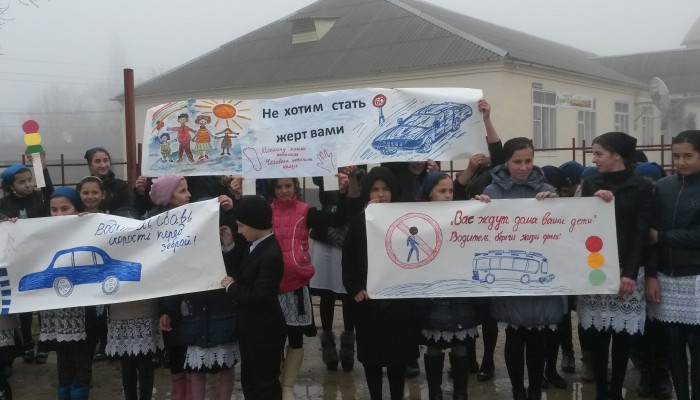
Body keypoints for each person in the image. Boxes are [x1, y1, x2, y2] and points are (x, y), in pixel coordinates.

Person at [474, 137, 566, 400]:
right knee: (514, 336)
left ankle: (535, 389)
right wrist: (479, 208)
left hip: (538, 280)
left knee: (538, 339)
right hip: (510, 278)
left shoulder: (547, 190)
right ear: (506, 162)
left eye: (528, 160)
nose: (523, 167)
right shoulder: (492, 191)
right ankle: (517, 390)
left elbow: (564, 229)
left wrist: (555, 204)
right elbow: (479, 232)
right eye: (517, 161)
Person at [577, 131, 652, 400]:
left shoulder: (641, 186)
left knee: (622, 335)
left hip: (627, 271)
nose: (594, 159)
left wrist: (630, 273)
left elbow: (641, 233)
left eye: (599, 153)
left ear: (617, 155)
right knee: (597, 332)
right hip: (597, 268)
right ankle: (601, 390)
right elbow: (579, 223)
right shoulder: (590, 183)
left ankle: (616, 390)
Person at [342, 166, 419, 400]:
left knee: (397, 359)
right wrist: (355, 288)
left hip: (398, 303)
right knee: (372, 359)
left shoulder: (405, 220)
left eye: (385, 189)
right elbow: (349, 259)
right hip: (369, 304)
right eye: (375, 189)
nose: (381, 194)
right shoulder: (359, 222)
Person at [453, 99, 504, 381]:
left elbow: (498, 148)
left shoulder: (500, 172)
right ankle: (470, 358)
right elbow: (456, 192)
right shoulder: (474, 175)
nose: (481, 153)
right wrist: (471, 168)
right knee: (469, 308)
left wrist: (486, 119)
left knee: (488, 312)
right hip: (468, 247)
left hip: (492, 246)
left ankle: (488, 361)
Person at [646, 130, 700, 400]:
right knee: (673, 345)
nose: (680, 162)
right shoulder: (663, 186)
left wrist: (663, 236)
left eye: (688, 156)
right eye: (676, 156)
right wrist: (651, 275)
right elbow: (649, 232)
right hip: (666, 277)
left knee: (696, 346)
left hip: (696, 277)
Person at [417, 172, 480, 400]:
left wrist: (483, 207)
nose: (447, 195)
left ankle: (460, 393)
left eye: (450, 191)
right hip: (433, 294)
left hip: (460, 293)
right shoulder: (418, 218)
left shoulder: (461, 214)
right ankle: (435, 392)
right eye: (441, 191)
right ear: (429, 193)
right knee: (434, 345)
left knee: (461, 344)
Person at [222, 195, 286, 400]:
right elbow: (241, 268)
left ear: (256, 223)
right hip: (251, 327)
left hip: (265, 331)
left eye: (242, 226)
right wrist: (229, 244)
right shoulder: (255, 245)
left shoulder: (270, 255)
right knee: (250, 381)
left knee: (265, 383)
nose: (239, 231)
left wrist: (231, 287)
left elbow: (258, 294)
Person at [41, 187, 97, 400]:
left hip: (84, 310)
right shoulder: (44, 232)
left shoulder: (88, 227)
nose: (59, 214)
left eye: (65, 208)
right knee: (63, 358)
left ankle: (80, 393)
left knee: (82, 358)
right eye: (54, 210)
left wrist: (89, 223)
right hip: (56, 309)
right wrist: (14, 226)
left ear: (77, 208)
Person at [106, 206, 164, 400]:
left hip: (146, 311)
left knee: (145, 363)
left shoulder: (148, 248)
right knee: (127, 364)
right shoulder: (109, 249)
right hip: (120, 314)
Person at [0, 160, 54, 365]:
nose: (28, 184)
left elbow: (49, 191)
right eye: (22, 182)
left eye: (30, 179)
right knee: (23, 302)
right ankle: (27, 344)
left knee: (42, 301)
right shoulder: (3, 204)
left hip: (41, 257)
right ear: (11, 186)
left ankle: (44, 344)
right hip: (17, 261)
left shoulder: (40, 197)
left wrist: (41, 166)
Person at [309, 171, 363, 372]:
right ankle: (328, 346)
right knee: (327, 294)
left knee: (348, 293)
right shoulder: (325, 168)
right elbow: (316, 179)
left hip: (350, 235)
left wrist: (352, 178)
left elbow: (359, 199)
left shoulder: (359, 172)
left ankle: (348, 345)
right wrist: (330, 174)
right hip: (327, 233)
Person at [76, 176, 109, 361]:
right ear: (79, 194)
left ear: (102, 195)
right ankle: (90, 345)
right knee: (88, 312)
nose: (90, 196)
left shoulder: (111, 217)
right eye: (86, 192)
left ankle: (106, 344)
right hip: (82, 273)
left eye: (95, 192)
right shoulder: (73, 217)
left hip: (103, 271)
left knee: (104, 311)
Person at [83, 147, 131, 213]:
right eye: (97, 161)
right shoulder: (84, 187)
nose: (103, 165)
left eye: (105, 161)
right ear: (90, 165)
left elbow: (128, 210)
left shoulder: (121, 186)